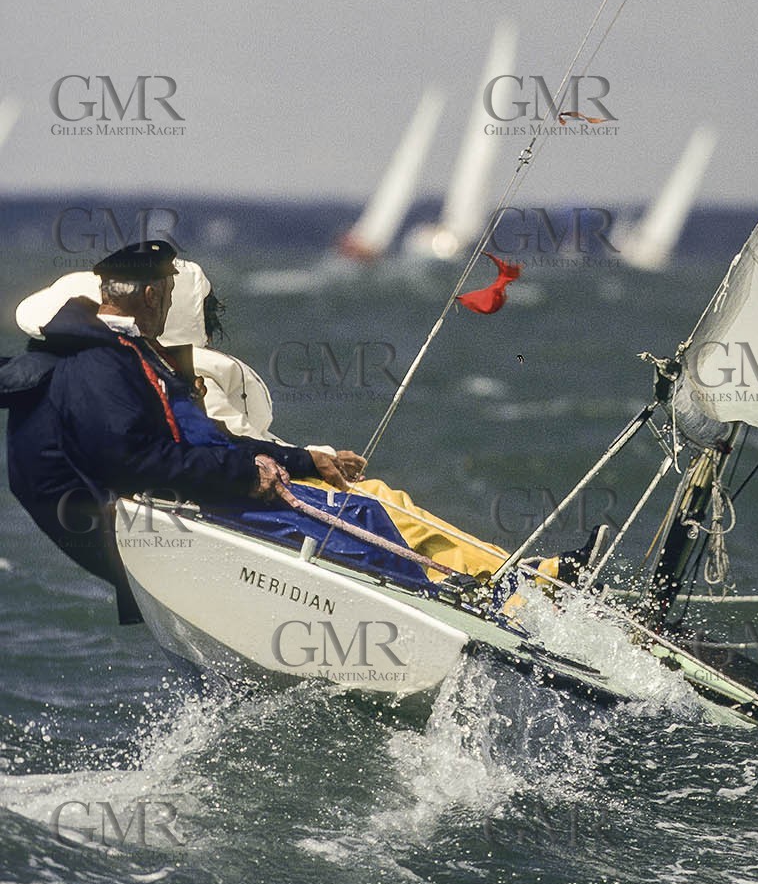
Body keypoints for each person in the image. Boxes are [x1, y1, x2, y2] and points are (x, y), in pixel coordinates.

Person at [2, 242, 607, 622]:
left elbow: (197, 446)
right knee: (369, 508)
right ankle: (510, 598)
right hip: (174, 527)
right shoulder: (108, 365)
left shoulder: (106, 359)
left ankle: (512, 586)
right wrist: (261, 470)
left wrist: (299, 460)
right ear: (154, 300)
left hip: (164, 524)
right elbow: (145, 459)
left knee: (368, 504)